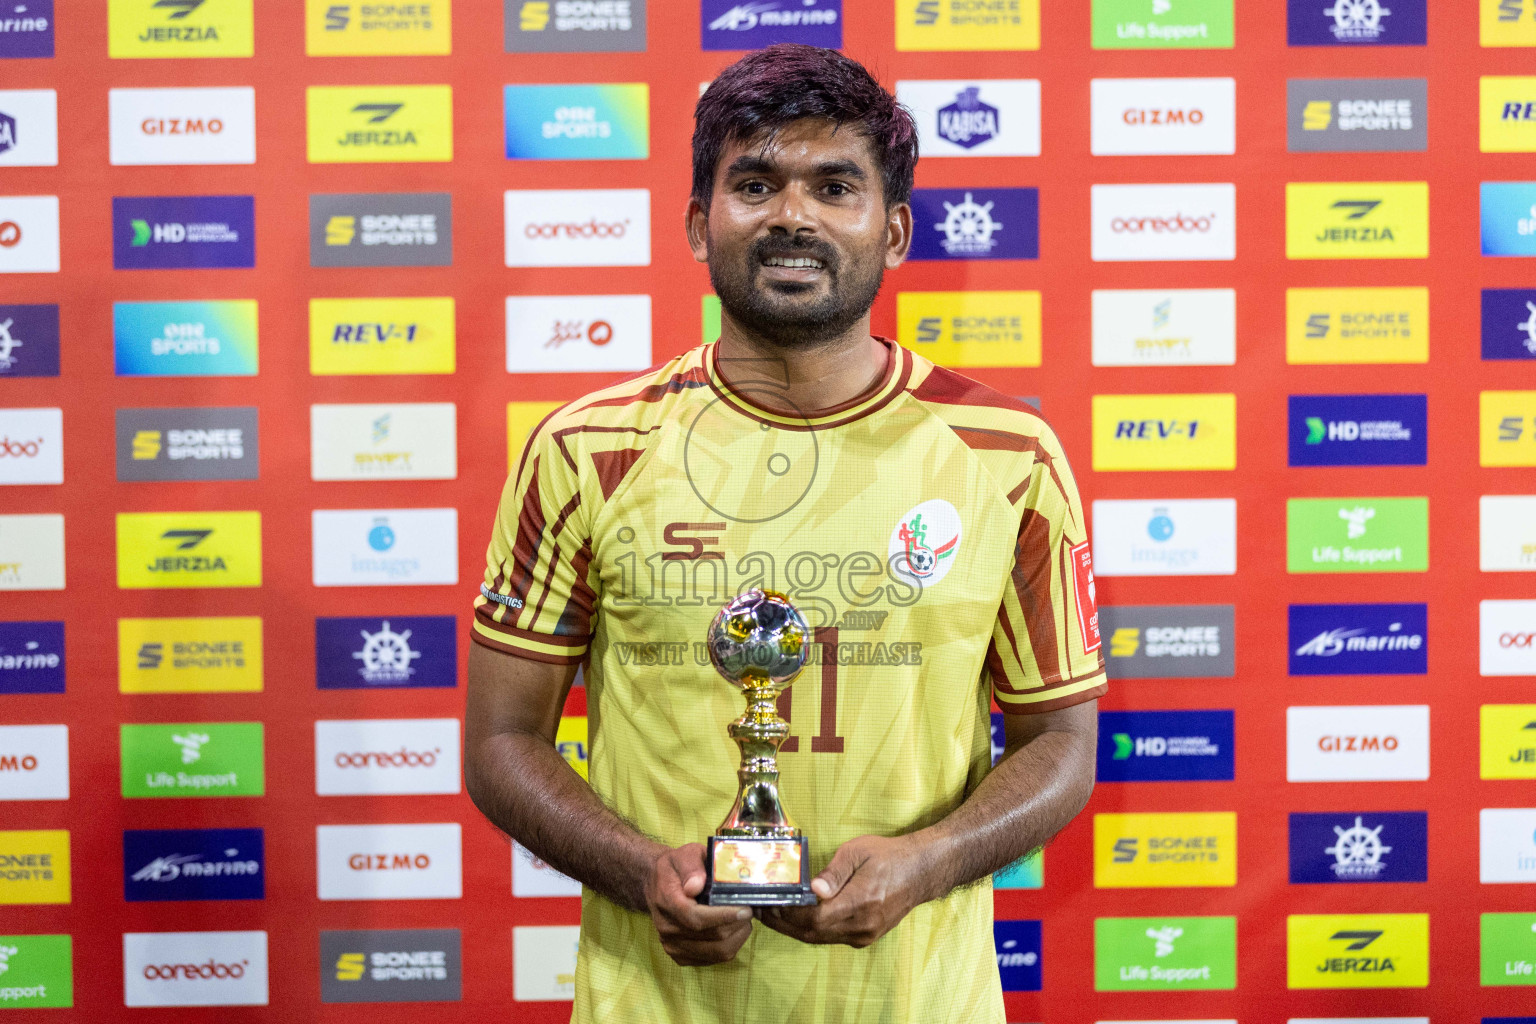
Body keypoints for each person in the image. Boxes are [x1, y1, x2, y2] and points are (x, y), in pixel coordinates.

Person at [466, 43, 1106, 1024]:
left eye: (833, 184)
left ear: (892, 232)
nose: (792, 215)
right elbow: (504, 738)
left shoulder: (1006, 453)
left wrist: (930, 859)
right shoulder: (585, 448)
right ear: (698, 221)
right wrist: (643, 870)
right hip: (657, 1002)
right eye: (754, 182)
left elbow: (1061, 741)